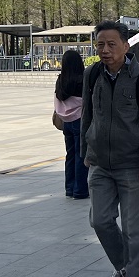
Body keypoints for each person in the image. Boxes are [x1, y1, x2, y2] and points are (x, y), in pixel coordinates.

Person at [81, 20, 139, 277]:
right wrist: (85, 151)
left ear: (126, 46)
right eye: (100, 44)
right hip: (100, 163)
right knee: (99, 220)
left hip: (132, 165)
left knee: (133, 228)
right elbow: (87, 116)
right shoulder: (92, 74)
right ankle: (124, 266)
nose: (105, 50)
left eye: (111, 44)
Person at [54, 49, 89, 200]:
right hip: (80, 120)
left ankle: (69, 188)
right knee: (81, 156)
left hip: (66, 122)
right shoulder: (82, 79)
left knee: (70, 156)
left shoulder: (61, 80)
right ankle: (80, 190)